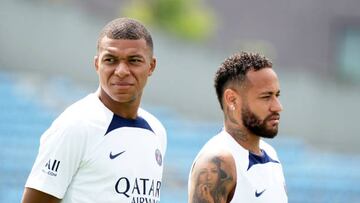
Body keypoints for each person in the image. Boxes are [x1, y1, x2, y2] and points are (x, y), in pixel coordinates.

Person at [22, 17, 167, 203]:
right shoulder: (76, 126)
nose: (121, 70)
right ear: (97, 64)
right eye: (111, 60)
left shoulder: (157, 131)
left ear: (151, 66)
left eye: (134, 60)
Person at [188, 51, 288, 202]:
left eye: (277, 95)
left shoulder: (271, 154)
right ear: (232, 99)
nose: (277, 106)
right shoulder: (217, 160)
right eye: (266, 97)